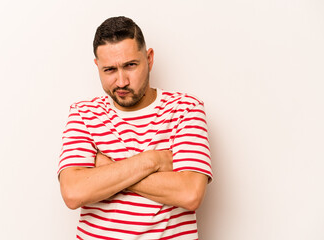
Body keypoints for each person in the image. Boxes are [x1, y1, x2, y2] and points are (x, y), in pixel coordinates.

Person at [58, 16, 213, 240]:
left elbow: (190, 193)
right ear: (97, 67)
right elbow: (73, 192)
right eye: (109, 70)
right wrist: (153, 161)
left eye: (130, 65)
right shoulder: (83, 113)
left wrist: (107, 170)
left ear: (149, 59)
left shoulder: (185, 109)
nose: (121, 82)